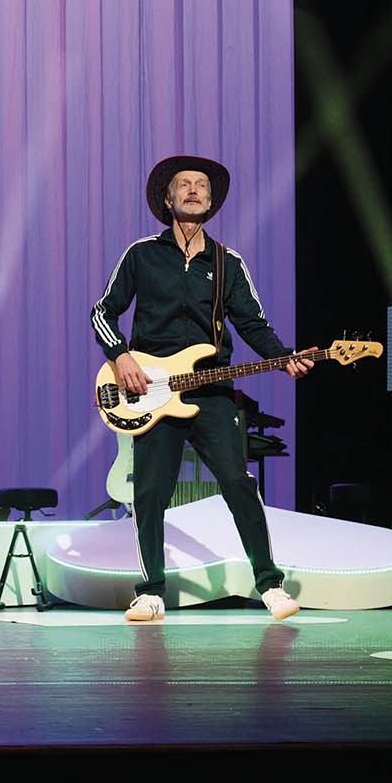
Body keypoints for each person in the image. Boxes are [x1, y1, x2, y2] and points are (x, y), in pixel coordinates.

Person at [91, 155, 313, 622]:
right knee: (150, 492)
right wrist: (121, 356)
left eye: (202, 186)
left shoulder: (227, 262)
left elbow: (252, 323)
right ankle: (150, 592)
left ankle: (270, 586)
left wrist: (283, 356)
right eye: (184, 184)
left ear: (211, 203)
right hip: (152, 391)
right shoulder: (141, 254)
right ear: (167, 199)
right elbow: (103, 312)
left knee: (238, 482)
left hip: (211, 390)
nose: (193, 190)